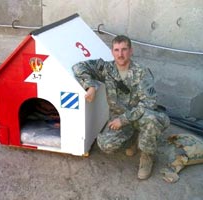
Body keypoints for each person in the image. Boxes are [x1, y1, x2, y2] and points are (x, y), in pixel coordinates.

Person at [72, 35, 170, 180]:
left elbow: (149, 103)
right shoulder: (106, 68)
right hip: (119, 118)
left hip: (141, 117)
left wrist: (123, 120)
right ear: (112, 52)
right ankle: (133, 139)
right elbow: (78, 67)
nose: (120, 54)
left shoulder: (142, 72)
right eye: (117, 50)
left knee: (151, 120)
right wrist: (90, 85)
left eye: (124, 49)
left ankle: (147, 156)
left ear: (131, 51)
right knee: (105, 144)